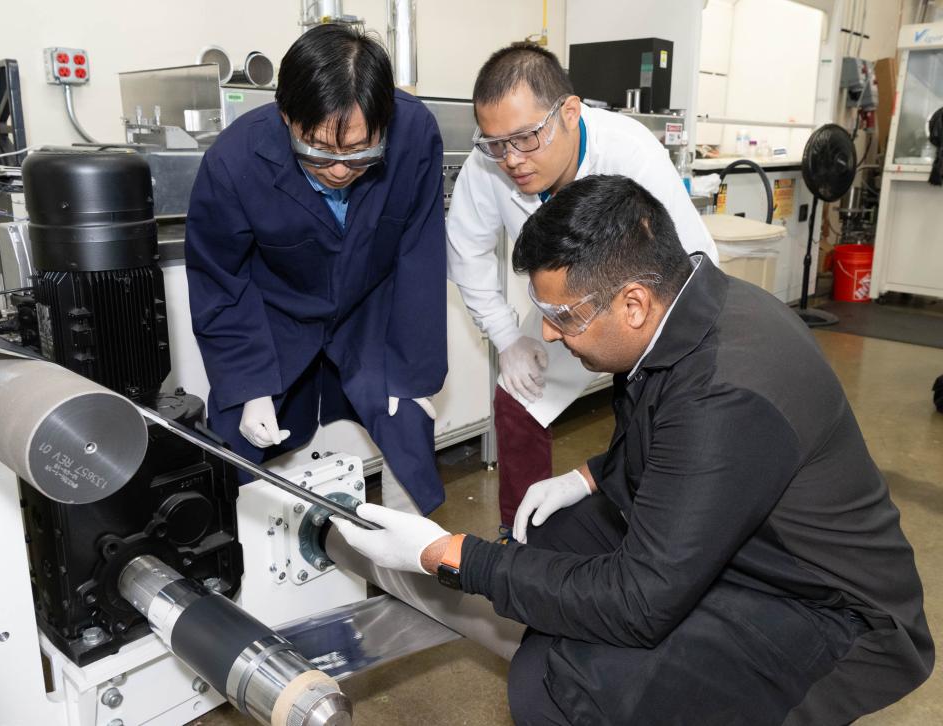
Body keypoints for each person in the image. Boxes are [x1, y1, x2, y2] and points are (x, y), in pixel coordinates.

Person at [333, 174, 933, 725]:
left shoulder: (726, 393)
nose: (545, 333)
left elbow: (640, 601)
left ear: (633, 304)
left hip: (827, 610)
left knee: (560, 684)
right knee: (549, 535)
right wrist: (592, 476)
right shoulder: (682, 312)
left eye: (560, 316)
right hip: (752, 544)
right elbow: (671, 444)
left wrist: (449, 554)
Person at [446, 42, 718, 538]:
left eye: (526, 138)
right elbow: (467, 249)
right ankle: (523, 538)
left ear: (569, 112)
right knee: (517, 401)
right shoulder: (489, 166)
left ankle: (650, 531)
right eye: (495, 143)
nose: (511, 159)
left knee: (653, 411)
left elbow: (695, 260)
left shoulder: (629, 150)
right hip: (564, 309)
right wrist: (508, 339)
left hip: (645, 311)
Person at [185, 24, 446, 514]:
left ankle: (414, 573)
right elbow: (220, 279)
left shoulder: (415, 134)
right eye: (319, 151)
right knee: (231, 448)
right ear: (286, 117)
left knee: (407, 431)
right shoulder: (234, 160)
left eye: (361, 152)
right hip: (276, 314)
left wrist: (415, 375)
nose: (342, 168)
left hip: (373, 307)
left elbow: (420, 253)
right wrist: (249, 384)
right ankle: (240, 580)